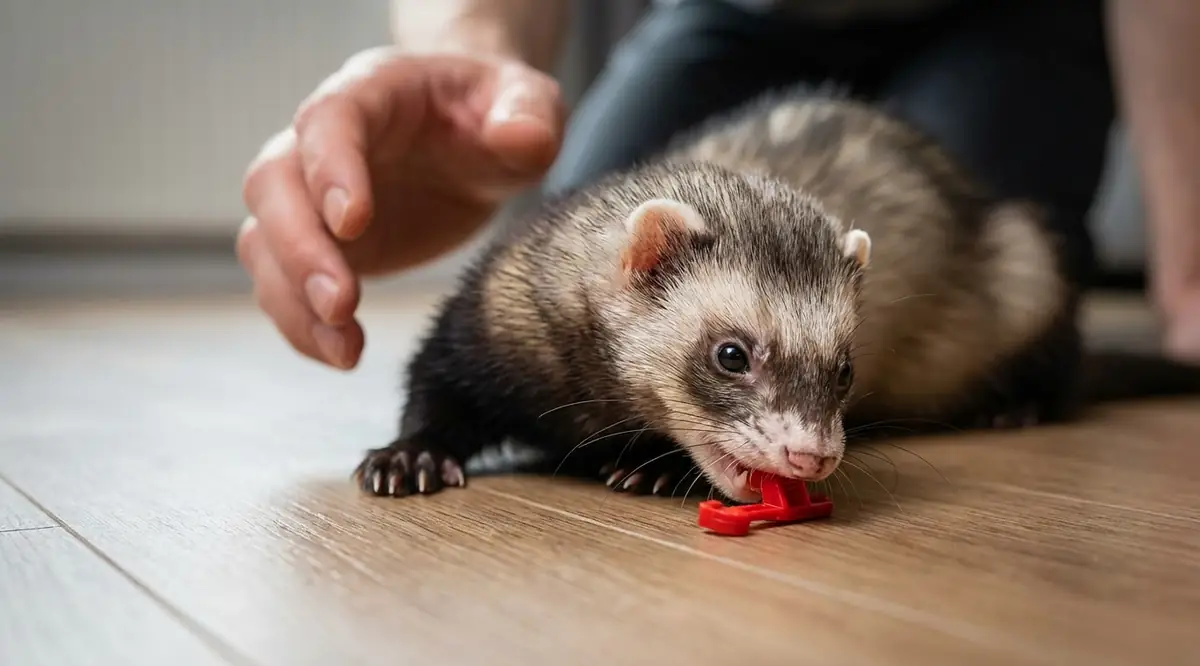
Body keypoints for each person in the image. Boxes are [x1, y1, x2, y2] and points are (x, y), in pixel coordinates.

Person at [237, 0, 1200, 371]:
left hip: (1007, 19)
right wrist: (472, 69)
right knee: (585, 237)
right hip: (740, 11)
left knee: (968, 285)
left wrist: (1188, 271)